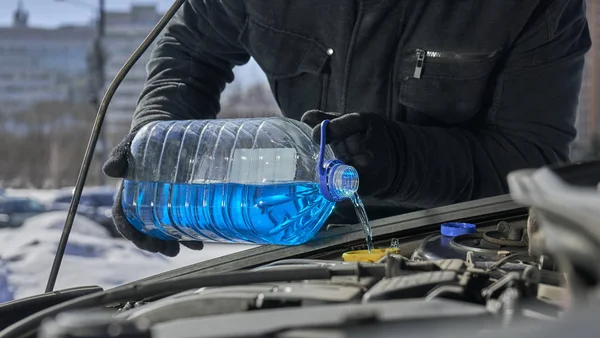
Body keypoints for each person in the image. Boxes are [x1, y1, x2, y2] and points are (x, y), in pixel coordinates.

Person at [103, 0, 592, 256]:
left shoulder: (530, 4)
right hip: (309, 237)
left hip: (463, 248)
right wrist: (157, 142)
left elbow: (531, 160)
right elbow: (189, 51)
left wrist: (403, 161)